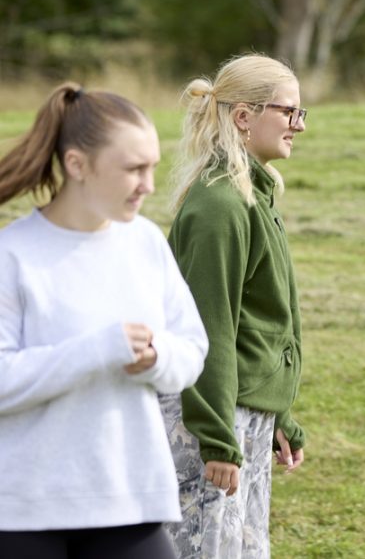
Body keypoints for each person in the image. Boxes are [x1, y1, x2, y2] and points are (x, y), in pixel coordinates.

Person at [0, 83, 209, 558]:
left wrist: (157, 358)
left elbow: (192, 349)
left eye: (153, 166)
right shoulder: (13, 254)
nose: (149, 185)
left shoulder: (147, 243)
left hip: (131, 501)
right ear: (77, 165)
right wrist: (100, 350)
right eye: (134, 169)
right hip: (23, 511)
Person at [161, 54, 308, 558]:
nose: (298, 126)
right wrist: (218, 440)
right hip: (214, 421)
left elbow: (262, 322)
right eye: (289, 112)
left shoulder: (253, 195)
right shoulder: (220, 206)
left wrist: (278, 414)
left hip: (243, 412)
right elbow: (210, 330)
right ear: (244, 116)